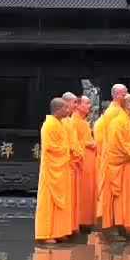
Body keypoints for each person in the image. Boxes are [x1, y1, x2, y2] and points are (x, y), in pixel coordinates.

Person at [98, 94, 130, 239]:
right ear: (128, 105)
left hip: (128, 168)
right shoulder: (118, 122)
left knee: (127, 199)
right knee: (115, 199)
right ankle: (112, 230)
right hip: (117, 167)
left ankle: (125, 227)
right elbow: (115, 147)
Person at [36, 97, 80, 243]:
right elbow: (50, 148)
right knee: (49, 203)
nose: (69, 111)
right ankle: (46, 234)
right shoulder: (49, 125)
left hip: (61, 168)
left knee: (62, 203)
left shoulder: (59, 124)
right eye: (66, 108)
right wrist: (68, 150)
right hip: (51, 171)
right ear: (59, 110)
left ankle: (59, 231)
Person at [64, 95, 98, 231]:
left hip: (89, 161)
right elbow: (73, 143)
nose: (90, 106)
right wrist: (89, 143)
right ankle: (81, 221)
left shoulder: (83, 121)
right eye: (87, 103)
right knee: (82, 193)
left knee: (88, 192)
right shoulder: (74, 121)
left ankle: (86, 221)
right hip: (82, 162)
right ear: (77, 106)